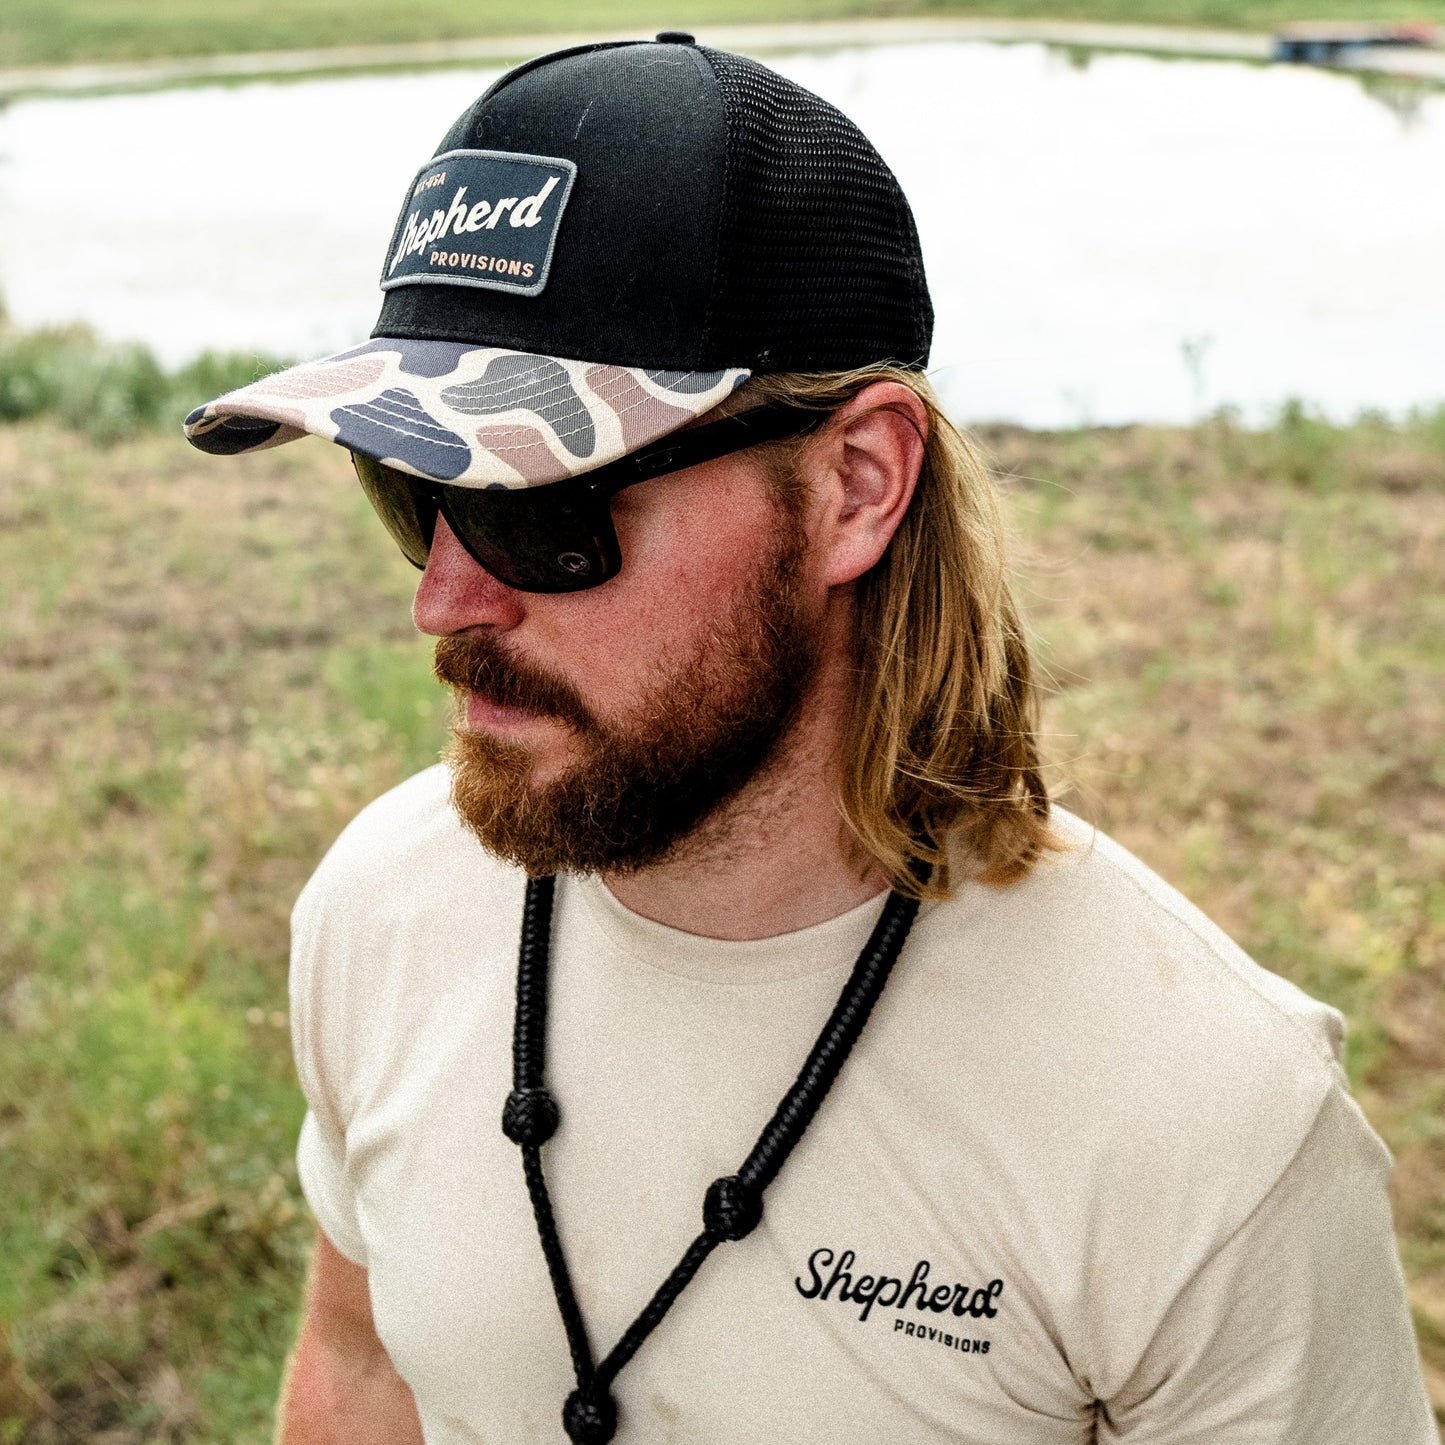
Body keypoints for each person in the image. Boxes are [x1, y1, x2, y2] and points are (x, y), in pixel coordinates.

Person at [183, 34, 1436, 1445]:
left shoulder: (1201, 1111)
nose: (444, 599)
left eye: (540, 510)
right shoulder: (383, 906)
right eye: (413, 489)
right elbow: (363, 1366)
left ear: (854, 486)